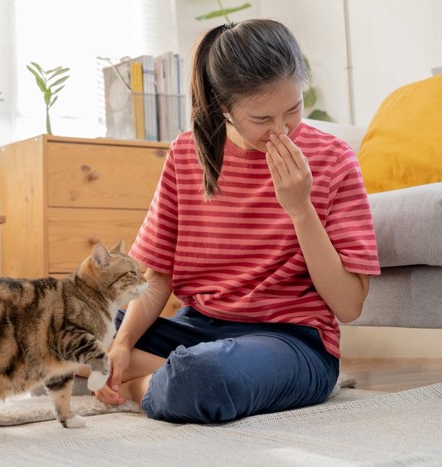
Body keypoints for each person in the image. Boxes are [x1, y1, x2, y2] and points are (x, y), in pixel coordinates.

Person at [94, 19, 380, 423]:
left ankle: (137, 384)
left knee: (200, 377)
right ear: (222, 107)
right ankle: (141, 367)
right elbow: (158, 279)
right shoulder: (184, 155)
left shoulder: (334, 159)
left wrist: (301, 209)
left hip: (290, 340)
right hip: (196, 328)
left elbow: (349, 306)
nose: (282, 131)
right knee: (64, 324)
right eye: (262, 119)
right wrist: (123, 343)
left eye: (294, 109)